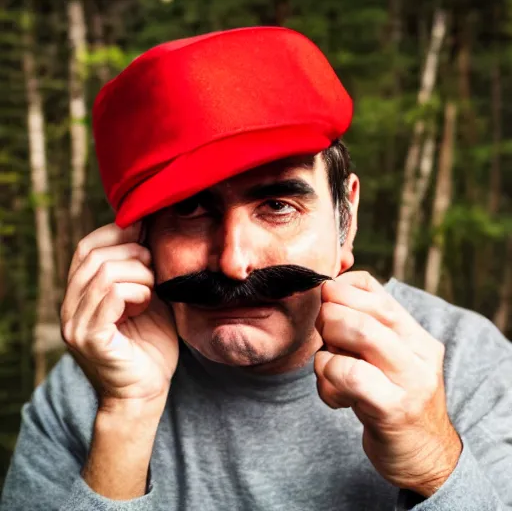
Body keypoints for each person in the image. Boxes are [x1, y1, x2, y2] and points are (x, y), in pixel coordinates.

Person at [1, 26, 511, 511]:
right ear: (138, 241)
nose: (234, 261)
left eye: (278, 205)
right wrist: (126, 415)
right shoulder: (88, 388)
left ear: (345, 220)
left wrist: (434, 463)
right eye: (188, 211)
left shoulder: (468, 364)